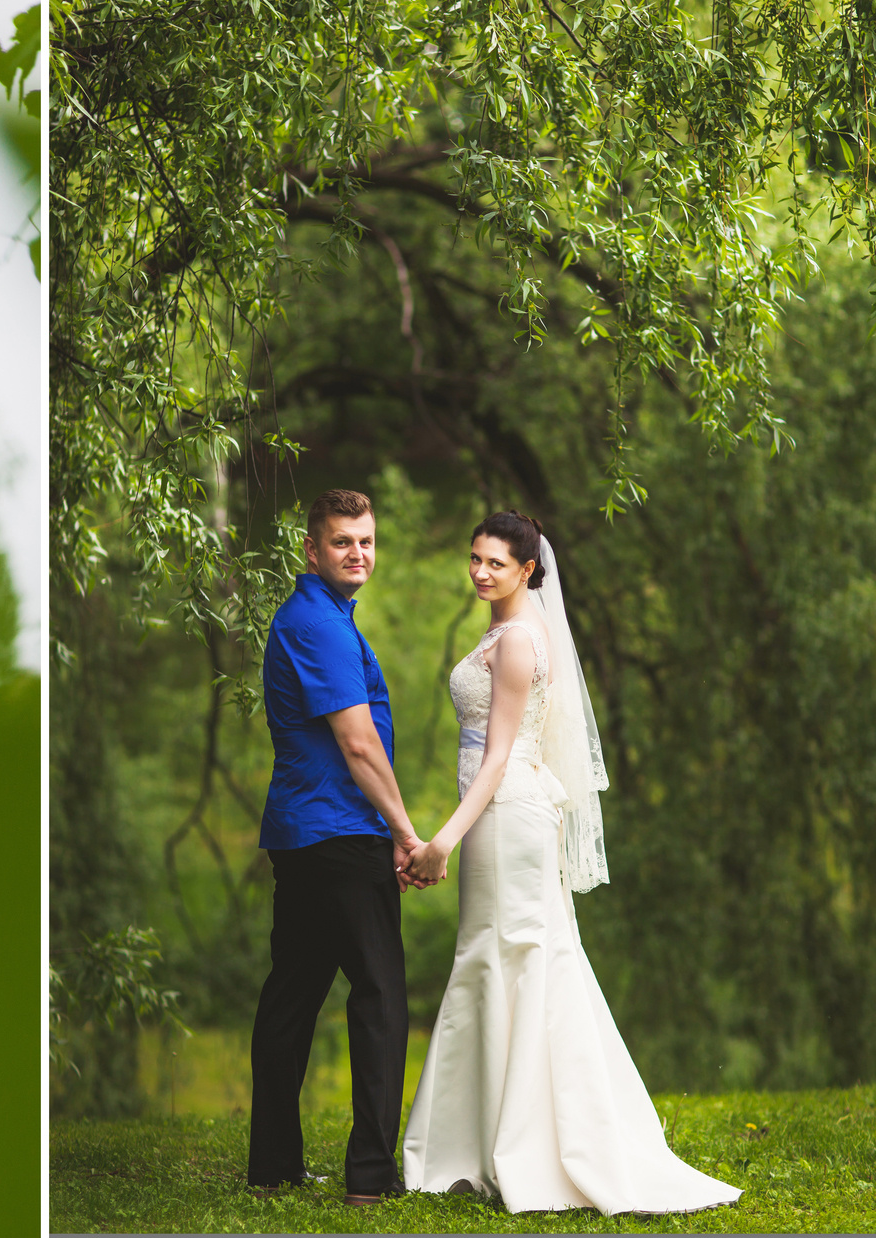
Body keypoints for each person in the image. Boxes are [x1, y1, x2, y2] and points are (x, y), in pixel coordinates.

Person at [400, 513, 738, 1215]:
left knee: (513, 959)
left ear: (529, 570)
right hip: (503, 814)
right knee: (499, 959)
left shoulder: (520, 639)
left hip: (506, 817)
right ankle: (484, 1141)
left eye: (496, 562)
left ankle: (520, 1148)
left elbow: (498, 756)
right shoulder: (505, 630)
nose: (480, 571)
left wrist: (443, 841)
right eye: (474, 558)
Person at [247, 488, 434, 1205]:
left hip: (305, 834)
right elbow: (357, 745)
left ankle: (273, 1167)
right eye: (342, 542)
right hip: (339, 833)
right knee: (382, 996)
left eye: (366, 541)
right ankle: (370, 1178)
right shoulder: (319, 625)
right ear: (312, 550)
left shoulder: (319, 617)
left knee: (292, 994)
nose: (358, 553)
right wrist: (405, 833)